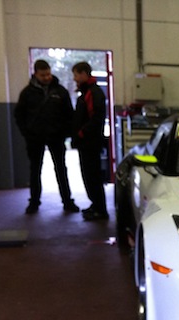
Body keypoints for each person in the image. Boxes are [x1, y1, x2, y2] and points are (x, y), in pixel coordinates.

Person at [14, 59, 79, 214]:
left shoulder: (60, 91)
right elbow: (19, 115)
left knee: (61, 169)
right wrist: (26, 133)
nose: (47, 77)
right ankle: (34, 202)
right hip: (34, 137)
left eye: (48, 74)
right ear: (36, 74)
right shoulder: (27, 93)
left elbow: (69, 114)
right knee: (35, 170)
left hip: (56, 136)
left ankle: (67, 201)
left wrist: (65, 133)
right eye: (43, 75)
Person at [72, 61, 108, 221]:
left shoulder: (93, 93)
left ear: (84, 73)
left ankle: (100, 210)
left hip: (90, 143)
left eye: (76, 75)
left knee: (93, 176)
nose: (74, 78)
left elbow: (96, 118)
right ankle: (95, 204)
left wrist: (81, 132)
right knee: (88, 175)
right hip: (85, 142)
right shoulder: (86, 92)